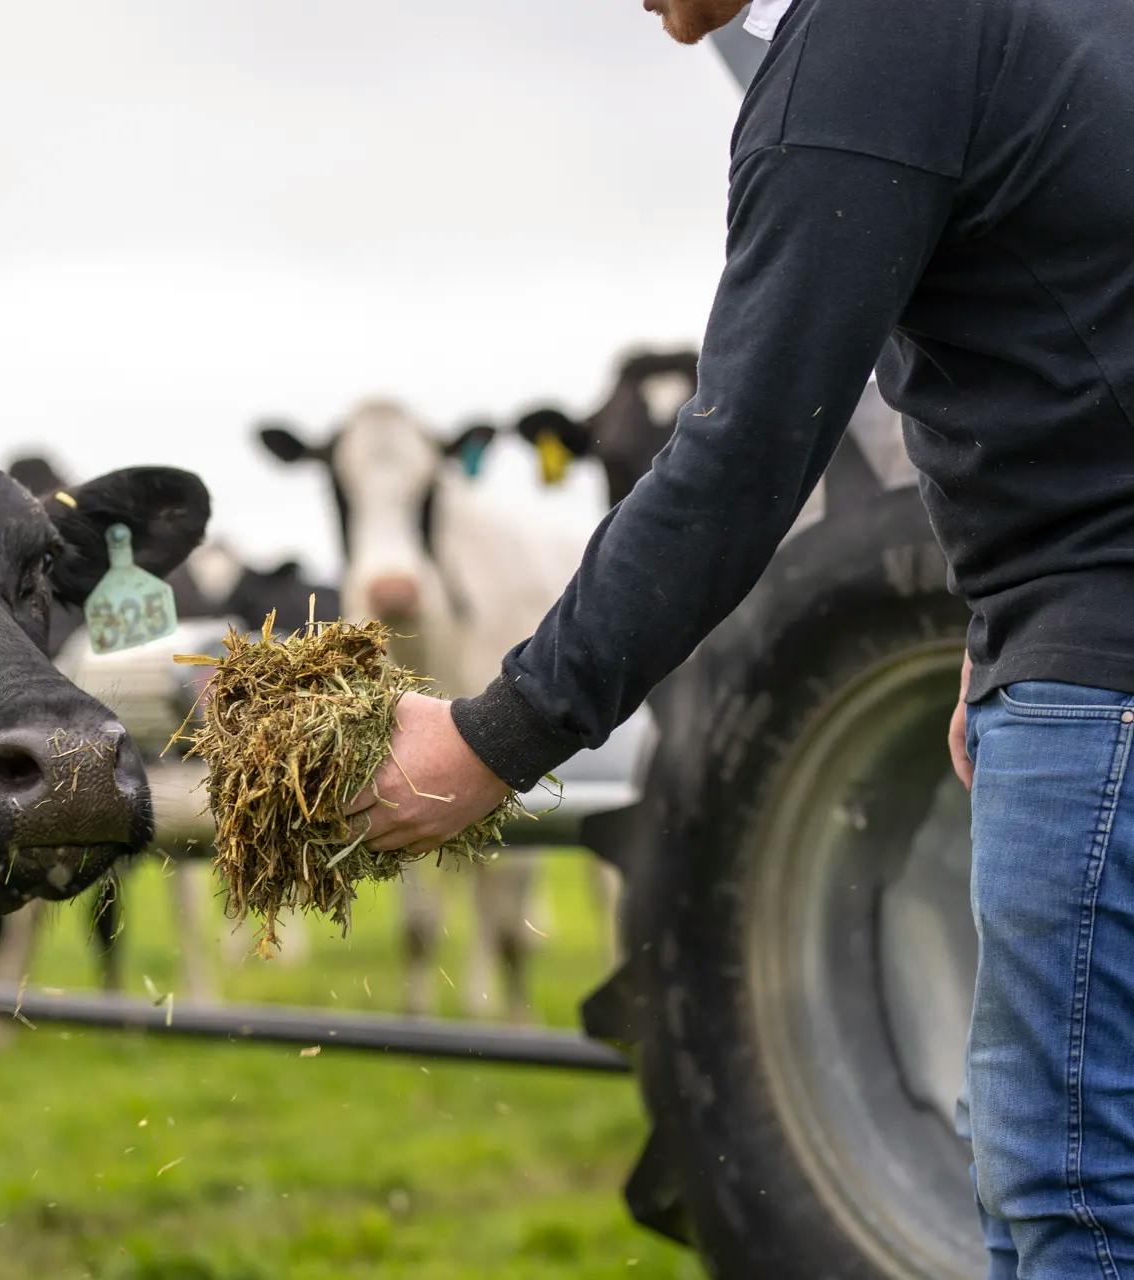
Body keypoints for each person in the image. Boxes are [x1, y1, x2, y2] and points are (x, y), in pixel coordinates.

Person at [343, 0, 1134, 1274]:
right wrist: (1005, 613)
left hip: (1107, 698)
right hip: (1083, 642)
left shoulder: (865, 44)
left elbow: (743, 451)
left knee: (1073, 1191)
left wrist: (495, 735)